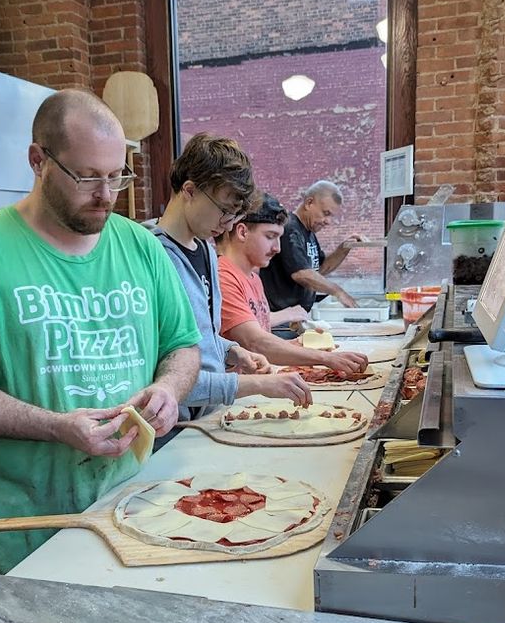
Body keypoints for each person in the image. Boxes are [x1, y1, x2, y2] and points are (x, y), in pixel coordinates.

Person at [0, 88, 201, 573]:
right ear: (37, 160)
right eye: (87, 176)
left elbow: (182, 346)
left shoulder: (142, 248)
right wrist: (56, 427)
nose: (106, 195)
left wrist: (169, 388)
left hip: (133, 503)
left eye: (116, 176)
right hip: (25, 520)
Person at [152, 133, 312, 416]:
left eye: (234, 216)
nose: (227, 224)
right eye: (224, 211)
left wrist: (229, 350)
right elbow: (164, 369)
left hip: (208, 413)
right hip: (174, 422)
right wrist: (256, 385)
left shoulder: (204, 248)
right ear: (189, 190)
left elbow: (198, 336)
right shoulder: (153, 255)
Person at [217, 193, 368, 375]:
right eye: (270, 236)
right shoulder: (223, 277)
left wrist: (300, 347)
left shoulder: (254, 279)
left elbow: (260, 340)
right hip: (235, 394)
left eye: (279, 238)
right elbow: (255, 342)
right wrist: (325, 359)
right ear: (242, 232)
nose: (277, 248)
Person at [259, 179, 364, 317]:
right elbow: (302, 274)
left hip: (299, 316)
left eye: (331, 216)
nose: (328, 221)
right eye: (326, 213)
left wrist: (344, 248)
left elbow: (320, 269)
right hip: (282, 320)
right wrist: (337, 291)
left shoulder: (308, 232)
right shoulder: (290, 229)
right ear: (309, 203)